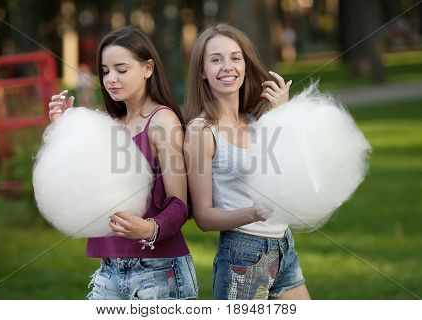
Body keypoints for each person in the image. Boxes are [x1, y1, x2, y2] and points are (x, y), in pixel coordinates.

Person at [48, 26, 198, 300]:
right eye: (105, 71)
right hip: (108, 271)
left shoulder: (162, 121)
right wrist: (64, 131)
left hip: (159, 270)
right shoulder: (109, 125)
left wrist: (150, 228)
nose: (111, 79)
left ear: (147, 68)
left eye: (121, 69)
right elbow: (84, 191)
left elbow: (180, 202)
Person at [183, 23, 310, 300]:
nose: (227, 66)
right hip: (243, 253)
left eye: (235, 58)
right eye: (216, 60)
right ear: (202, 72)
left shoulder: (257, 120)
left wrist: (283, 115)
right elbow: (204, 217)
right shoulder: (202, 130)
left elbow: (295, 171)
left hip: (283, 246)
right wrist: (254, 213)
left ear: (245, 64)